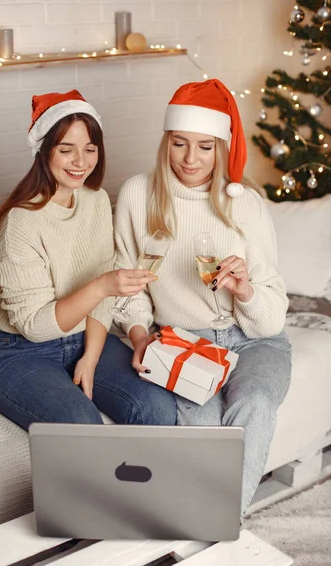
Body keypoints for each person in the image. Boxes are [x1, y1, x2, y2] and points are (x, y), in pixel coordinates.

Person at [114, 79, 292, 516]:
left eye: (205, 147)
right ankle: (210, 528)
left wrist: (245, 290)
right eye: (179, 144)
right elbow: (127, 286)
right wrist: (140, 337)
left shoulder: (244, 202)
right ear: (166, 142)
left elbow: (271, 318)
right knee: (201, 419)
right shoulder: (139, 194)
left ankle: (214, 530)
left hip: (255, 341)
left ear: (222, 149)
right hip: (185, 342)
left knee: (255, 402)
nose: (190, 159)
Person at [0, 89, 177, 430]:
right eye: (66, 150)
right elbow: (36, 327)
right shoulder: (20, 223)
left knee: (156, 406)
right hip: (21, 351)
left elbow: (100, 300)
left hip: (84, 337)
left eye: (89, 149)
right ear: (43, 152)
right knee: (81, 425)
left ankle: (147, 486)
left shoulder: (96, 201)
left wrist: (90, 358)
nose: (80, 162)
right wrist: (103, 286)